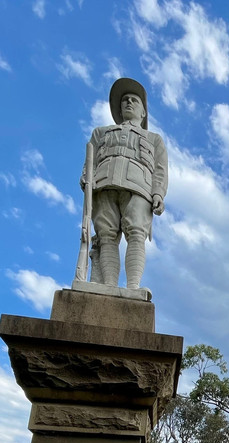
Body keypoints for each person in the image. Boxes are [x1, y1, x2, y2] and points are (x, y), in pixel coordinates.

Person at [82, 78, 168, 295]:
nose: (129, 102)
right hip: (104, 183)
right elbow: (90, 162)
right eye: (125, 100)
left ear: (143, 112)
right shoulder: (100, 133)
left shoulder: (154, 139)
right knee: (106, 235)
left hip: (140, 187)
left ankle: (132, 288)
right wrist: (86, 178)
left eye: (134, 100)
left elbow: (160, 169)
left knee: (137, 233)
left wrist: (158, 193)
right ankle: (108, 286)